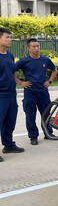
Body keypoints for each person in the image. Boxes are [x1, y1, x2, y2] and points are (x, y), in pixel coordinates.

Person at [14, 38, 58, 145]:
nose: (36, 48)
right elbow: (12, 71)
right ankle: (33, 136)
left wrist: (50, 81)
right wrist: (20, 83)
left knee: (46, 114)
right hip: (30, 93)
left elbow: (54, 70)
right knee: (30, 115)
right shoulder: (24, 61)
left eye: (38, 46)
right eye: (34, 46)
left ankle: (48, 133)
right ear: (29, 48)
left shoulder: (45, 60)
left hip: (43, 92)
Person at [0, 28, 25, 162]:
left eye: (10, 37)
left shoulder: (9, 56)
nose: (10, 40)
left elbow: (12, 72)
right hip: (0, 95)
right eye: (7, 37)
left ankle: (8, 145)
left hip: (11, 93)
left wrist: (19, 82)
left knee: (10, 121)